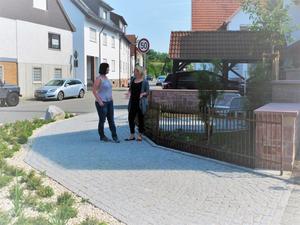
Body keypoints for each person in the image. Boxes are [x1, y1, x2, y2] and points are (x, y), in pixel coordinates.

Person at [93, 63, 120, 143]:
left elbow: (108, 90)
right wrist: (100, 101)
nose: (108, 69)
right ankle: (102, 136)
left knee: (111, 120)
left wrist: (111, 99)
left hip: (109, 102)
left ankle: (115, 136)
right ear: (104, 68)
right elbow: (94, 91)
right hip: (102, 103)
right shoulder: (99, 79)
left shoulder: (106, 78)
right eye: (108, 68)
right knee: (102, 120)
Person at [125, 65, 150, 141]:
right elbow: (130, 89)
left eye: (135, 71)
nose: (134, 72)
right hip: (133, 102)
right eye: (134, 71)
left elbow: (148, 92)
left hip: (141, 103)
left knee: (140, 119)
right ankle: (132, 135)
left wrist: (142, 94)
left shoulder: (145, 81)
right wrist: (128, 93)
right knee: (130, 118)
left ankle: (140, 135)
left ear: (139, 72)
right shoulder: (133, 80)